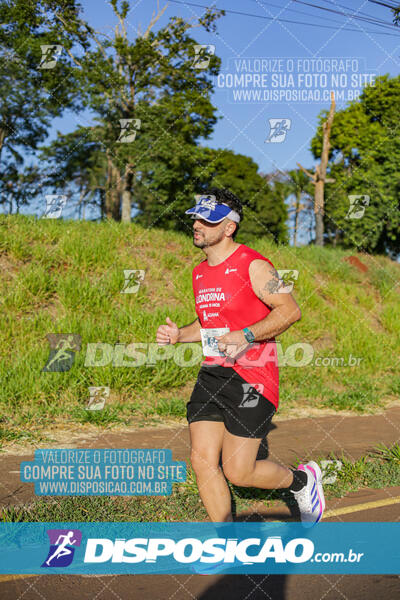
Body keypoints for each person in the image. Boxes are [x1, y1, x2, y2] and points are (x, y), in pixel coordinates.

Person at [156, 188, 325, 526]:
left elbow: (290, 311)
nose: (197, 224)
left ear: (229, 227)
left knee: (239, 471)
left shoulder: (255, 265)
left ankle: (302, 482)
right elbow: (209, 325)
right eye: (196, 218)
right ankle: (225, 541)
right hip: (212, 374)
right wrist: (179, 336)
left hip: (253, 380)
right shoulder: (199, 272)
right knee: (202, 459)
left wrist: (247, 335)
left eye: (207, 220)